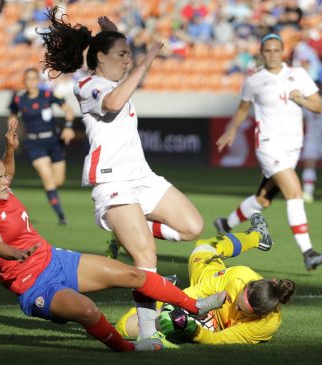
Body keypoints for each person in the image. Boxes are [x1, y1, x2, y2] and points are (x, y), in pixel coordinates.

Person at [0, 120, 229, 352]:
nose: (6, 181)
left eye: (3, 177)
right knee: (87, 312)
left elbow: (7, 171)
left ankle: (195, 306)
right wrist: (13, 253)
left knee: (134, 274)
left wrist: (10, 148)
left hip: (56, 260)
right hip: (33, 284)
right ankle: (129, 348)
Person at [37, 7, 208, 342]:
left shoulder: (112, 77)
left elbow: (118, 81)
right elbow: (113, 102)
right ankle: (147, 336)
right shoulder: (87, 85)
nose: (128, 60)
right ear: (100, 57)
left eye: (129, 55)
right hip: (113, 181)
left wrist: (118, 40)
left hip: (142, 177)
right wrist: (145, 61)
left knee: (192, 227)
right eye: (121, 54)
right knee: (146, 257)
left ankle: (130, 228)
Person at [214, 33, 322, 272]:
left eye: (276, 50)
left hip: (293, 147)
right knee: (295, 192)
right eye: (267, 51)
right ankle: (308, 252)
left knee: (263, 200)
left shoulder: (298, 75)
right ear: (261, 53)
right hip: (268, 145)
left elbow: (318, 106)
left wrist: (301, 100)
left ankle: (226, 223)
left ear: (283, 52)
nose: (272, 54)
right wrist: (232, 130)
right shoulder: (254, 81)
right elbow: (242, 108)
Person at [115, 213, 296, 345]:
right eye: (236, 299)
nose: (235, 306)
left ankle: (163, 292)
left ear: (258, 315)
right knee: (203, 248)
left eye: (241, 309)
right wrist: (172, 303)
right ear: (247, 286)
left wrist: (193, 331)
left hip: (207, 326)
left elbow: (220, 339)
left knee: (123, 327)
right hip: (204, 295)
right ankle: (257, 236)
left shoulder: (266, 325)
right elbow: (198, 291)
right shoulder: (240, 277)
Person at [8, 67, 75, 225]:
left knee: (57, 181)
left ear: (38, 81)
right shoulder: (19, 99)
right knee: (47, 178)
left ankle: (55, 203)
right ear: (24, 82)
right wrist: (11, 132)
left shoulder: (48, 95)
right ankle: (61, 217)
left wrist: (68, 127)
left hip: (54, 141)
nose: (30, 82)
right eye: (27, 79)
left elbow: (68, 110)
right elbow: (12, 115)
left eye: (33, 79)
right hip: (34, 143)